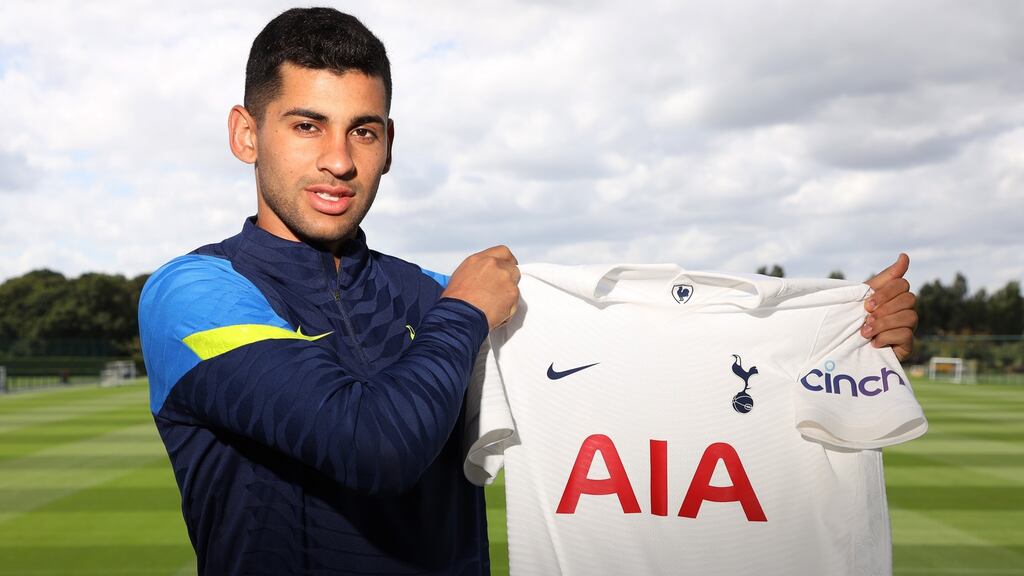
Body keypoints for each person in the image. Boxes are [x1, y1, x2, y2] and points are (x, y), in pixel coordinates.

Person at [138, 7, 917, 575]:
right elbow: (369, 445)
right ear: (247, 132)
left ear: (388, 143)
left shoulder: (429, 294)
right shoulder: (195, 293)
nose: (340, 160)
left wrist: (839, 342)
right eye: (307, 126)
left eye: (364, 130)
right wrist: (466, 313)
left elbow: (652, 376)